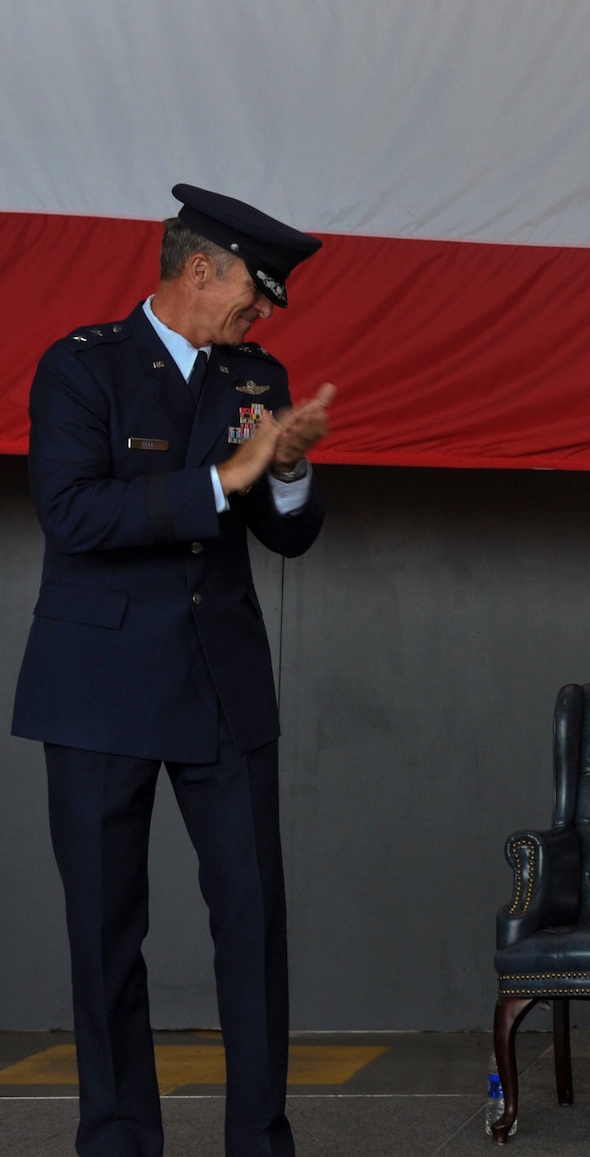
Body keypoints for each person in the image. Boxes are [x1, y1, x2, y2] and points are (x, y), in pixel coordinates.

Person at [13, 185, 334, 1157]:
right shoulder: (82, 367)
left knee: (253, 926)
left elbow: (289, 534)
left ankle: (260, 1142)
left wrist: (288, 469)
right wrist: (219, 480)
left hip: (221, 682)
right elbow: (72, 513)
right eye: (254, 290)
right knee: (106, 931)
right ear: (200, 269)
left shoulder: (257, 376)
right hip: (99, 687)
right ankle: (118, 1139)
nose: (264, 311)